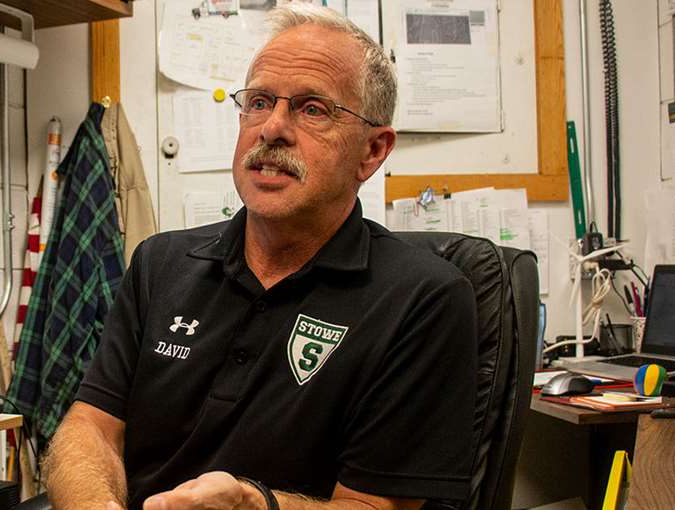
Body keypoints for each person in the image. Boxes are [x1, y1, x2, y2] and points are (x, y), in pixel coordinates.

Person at [43, 5, 479, 509]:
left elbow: (373, 507)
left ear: (373, 151)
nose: (272, 128)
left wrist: (255, 504)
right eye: (258, 102)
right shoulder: (158, 263)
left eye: (313, 108)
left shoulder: (425, 298)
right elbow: (90, 425)